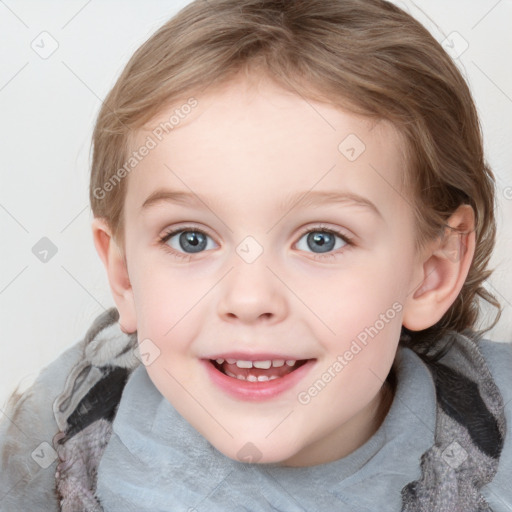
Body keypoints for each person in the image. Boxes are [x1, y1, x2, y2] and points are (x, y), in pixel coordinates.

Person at [1, 0, 510, 510]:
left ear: (430, 273)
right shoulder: (48, 452)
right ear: (125, 275)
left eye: (321, 240)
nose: (249, 299)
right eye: (190, 239)